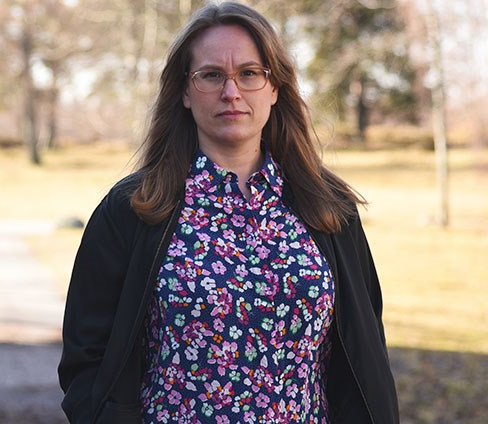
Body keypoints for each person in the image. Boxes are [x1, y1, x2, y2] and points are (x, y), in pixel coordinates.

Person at [58, 2, 399, 423]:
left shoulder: (329, 209)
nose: (231, 92)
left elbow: (366, 353)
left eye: (250, 74)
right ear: (184, 90)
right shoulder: (132, 209)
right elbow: (86, 357)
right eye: (211, 75)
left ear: (275, 88)